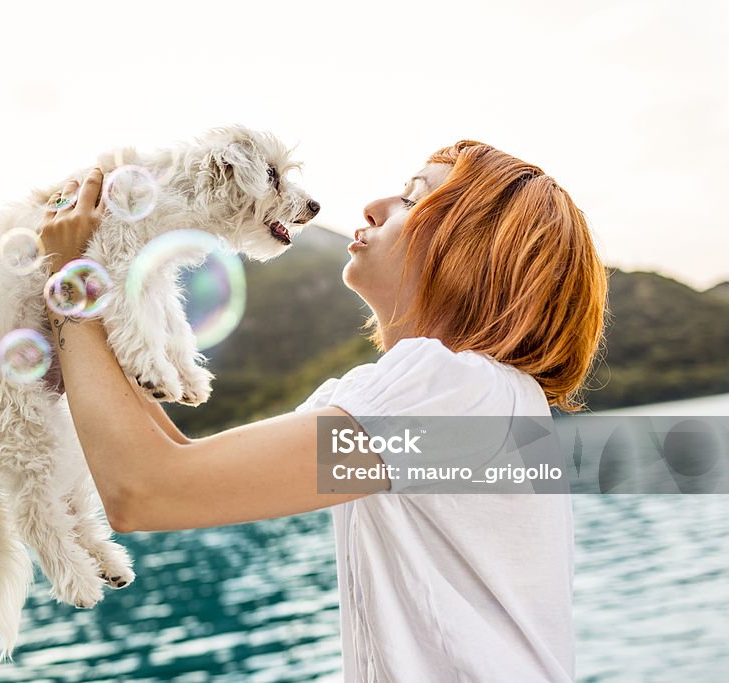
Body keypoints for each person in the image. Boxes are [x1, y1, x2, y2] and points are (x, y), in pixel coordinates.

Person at [35, 140, 608, 682]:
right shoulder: (463, 398)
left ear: (475, 251)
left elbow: (145, 490)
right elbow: (169, 461)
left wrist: (71, 279)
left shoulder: (453, 390)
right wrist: (90, 288)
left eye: (413, 198)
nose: (375, 204)